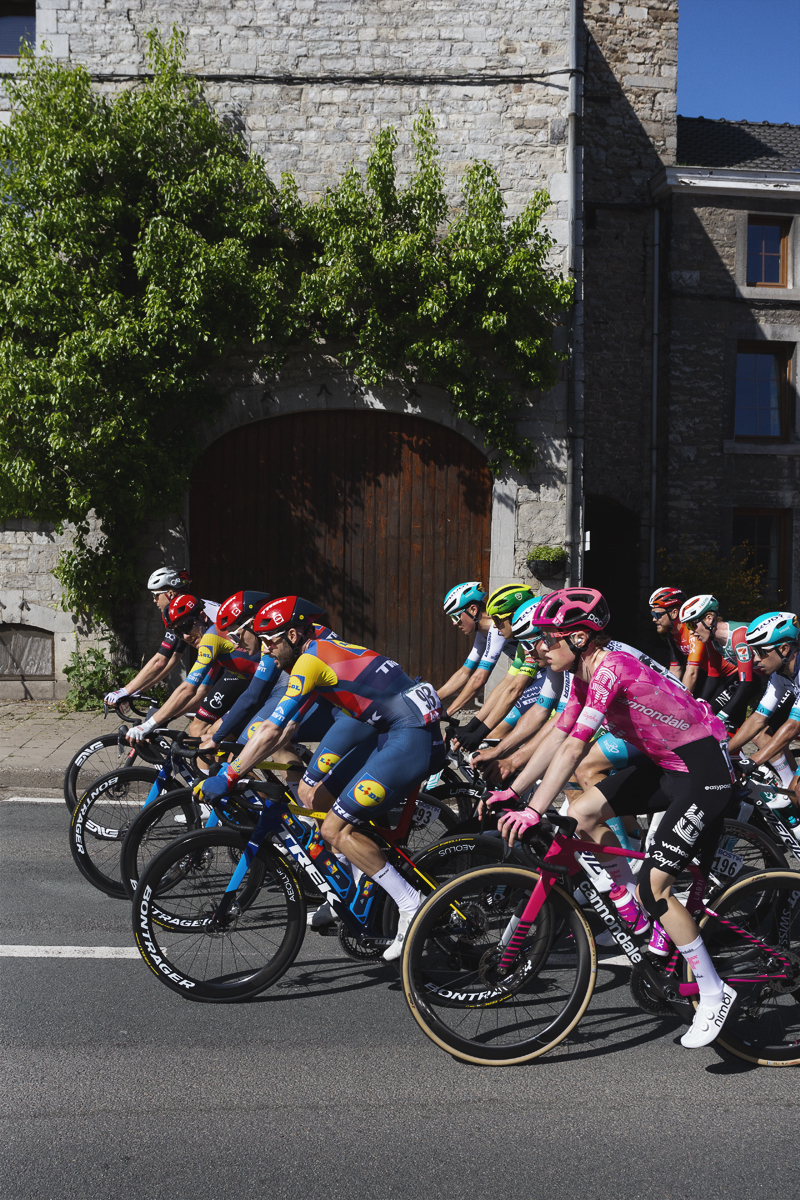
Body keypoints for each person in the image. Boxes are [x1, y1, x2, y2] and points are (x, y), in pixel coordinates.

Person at [487, 586, 737, 1049]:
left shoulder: (610, 670)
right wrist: (515, 789)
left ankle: (714, 990)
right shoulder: (581, 674)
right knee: (581, 811)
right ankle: (633, 913)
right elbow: (558, 734)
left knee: (656, 888)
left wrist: (533, 809)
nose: (539, 647)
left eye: (548, 638)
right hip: (667, 765)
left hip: (703, 770)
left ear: (579, 638)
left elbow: (576, 746)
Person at [195, 596, 446, 962]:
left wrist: (230, 775)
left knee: (333, 830)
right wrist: (240, 762)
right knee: (317, 799)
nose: (266, 650)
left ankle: (412, 904)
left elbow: (268, 731)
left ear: (293, 634)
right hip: (388, 727)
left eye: (271, 641)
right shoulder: (315, 650)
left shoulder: (310, 661)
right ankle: (354, 886)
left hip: (409, 734)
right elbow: (282, 729)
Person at [126, 591, 266, 742]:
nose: (186, 636)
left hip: (266, 686)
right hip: (247, 680)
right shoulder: (212, 643)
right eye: (179, 633)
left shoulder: (211, 638)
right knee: (197, 729)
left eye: (186, 626)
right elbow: (202, 690)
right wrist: (164, 718)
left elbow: (187, 689)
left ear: (203, 617)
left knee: (215, 737)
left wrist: (149, 725)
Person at [103, 568, 218, 708]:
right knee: (190, 709)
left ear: (169, 593)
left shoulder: (183, 614)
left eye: (156, 594)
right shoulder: (187, 607)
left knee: (192, 708)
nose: (154, 600)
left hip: (239, 657)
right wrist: (136, 691)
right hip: (228, 658)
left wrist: (124, 691)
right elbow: (172, 660)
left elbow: (160, 661)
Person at [453, 583, 541, 751]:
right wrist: (472, 726)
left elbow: (515, 689)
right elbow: (506, 684)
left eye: (498, 620)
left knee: (496, 734)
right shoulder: (524, 645)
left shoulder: (536, 641)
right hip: (544, 686)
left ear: (517, 616)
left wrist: (478, 733)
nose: (495, 626)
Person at [728, 611, 800, 792]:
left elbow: (792, 726)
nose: (756, 659)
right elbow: (758, 719)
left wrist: (753, 761)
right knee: (793, 793)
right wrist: (723, 751)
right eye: (754, 651)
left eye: (761, 651)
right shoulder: (779, 675)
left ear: (784, 649)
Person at [679, 594, 759, 729]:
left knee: (761, 730)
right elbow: (713, 676)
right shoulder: (712, 641)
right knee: (727, 725)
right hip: (755, 679)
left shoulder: (738, 636)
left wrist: (722, 715)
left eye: (692, 625)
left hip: (767, 678)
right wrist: (699, 703)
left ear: (709, 619)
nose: (691, 632)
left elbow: (746, 683)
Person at [436, 582, 515, 716]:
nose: (454, 623)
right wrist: (430, 700)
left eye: (456, 616)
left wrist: (448, 712)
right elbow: (464, 673)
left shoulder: (496, 628)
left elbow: (479, 679)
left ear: (473, 609)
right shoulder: (482, 633)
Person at [649, 587, 706, 693]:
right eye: (652, 614)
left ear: (674, 613)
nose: (653, 619)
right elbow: (675, 670)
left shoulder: (692, 630)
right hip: (709, 674)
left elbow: (692, 673)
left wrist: (681, 702)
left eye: (657, 614)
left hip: (728, 673)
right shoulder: (673, 634)